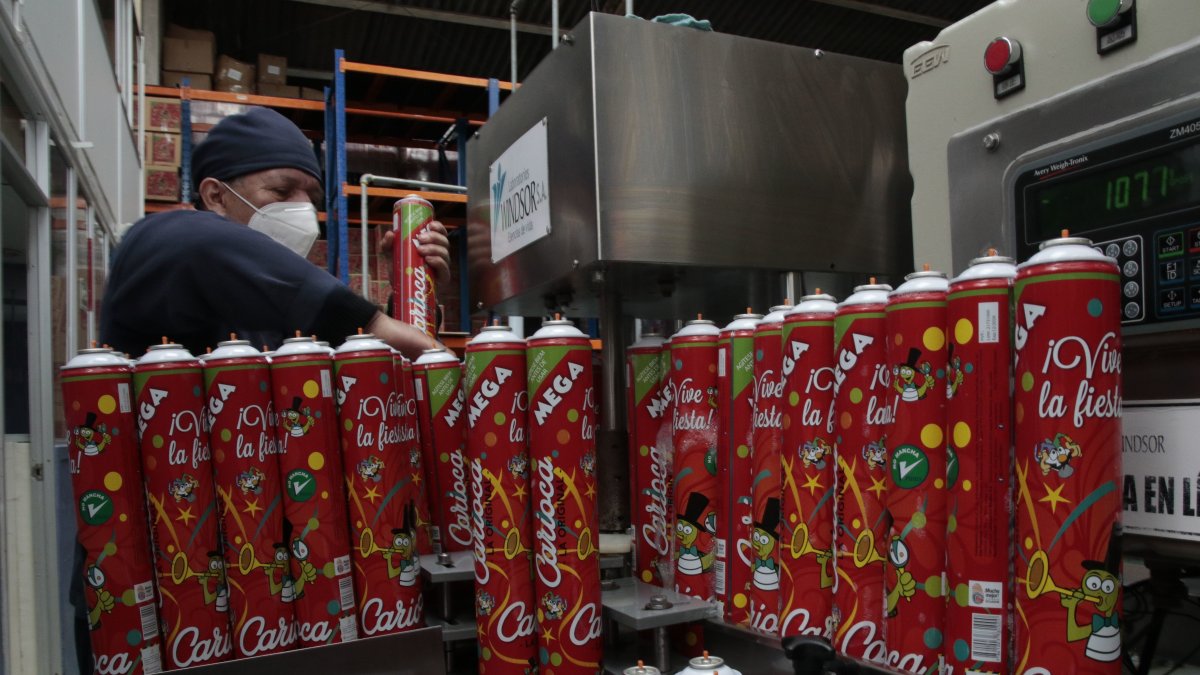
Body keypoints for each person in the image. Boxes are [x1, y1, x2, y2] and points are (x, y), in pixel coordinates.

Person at [99, 106, 450, 358]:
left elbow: (381, 373)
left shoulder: (288, 310)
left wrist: (407, 294)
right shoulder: (159, 247)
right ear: (215, 196)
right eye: (282, 192)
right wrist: (371, 322)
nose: (304, 210)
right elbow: (186, 241)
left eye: (312, 199)